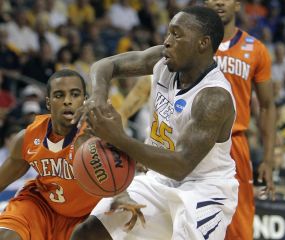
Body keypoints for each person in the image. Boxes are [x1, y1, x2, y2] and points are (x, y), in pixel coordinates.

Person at [71, 6, 239, 240]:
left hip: (203, 191)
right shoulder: (163, 60)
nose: (167, 41)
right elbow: (104, 65)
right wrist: (98, 97)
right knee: (88, 233)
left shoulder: (213, 97)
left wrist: (118, 138)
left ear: (203, 43)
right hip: (158, 179)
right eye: (168, 32)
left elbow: (181, 165)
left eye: (176, 34)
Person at [204, 1, 276, 239]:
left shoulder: (255, 49)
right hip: (195, 141)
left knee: (239, 226)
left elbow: (266, 107)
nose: (218, 1)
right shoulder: (192, 44)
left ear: (237, 4)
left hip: (235, 145)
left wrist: (267, 159)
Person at [0, 69, 101, 240]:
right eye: (59, 95)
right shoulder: (28, 138)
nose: (67, 101)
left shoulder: (97, 136)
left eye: (75, 94)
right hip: (41, 206)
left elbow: (119, 178)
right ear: (48, 102)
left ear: (84, 100)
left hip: (85, 216)